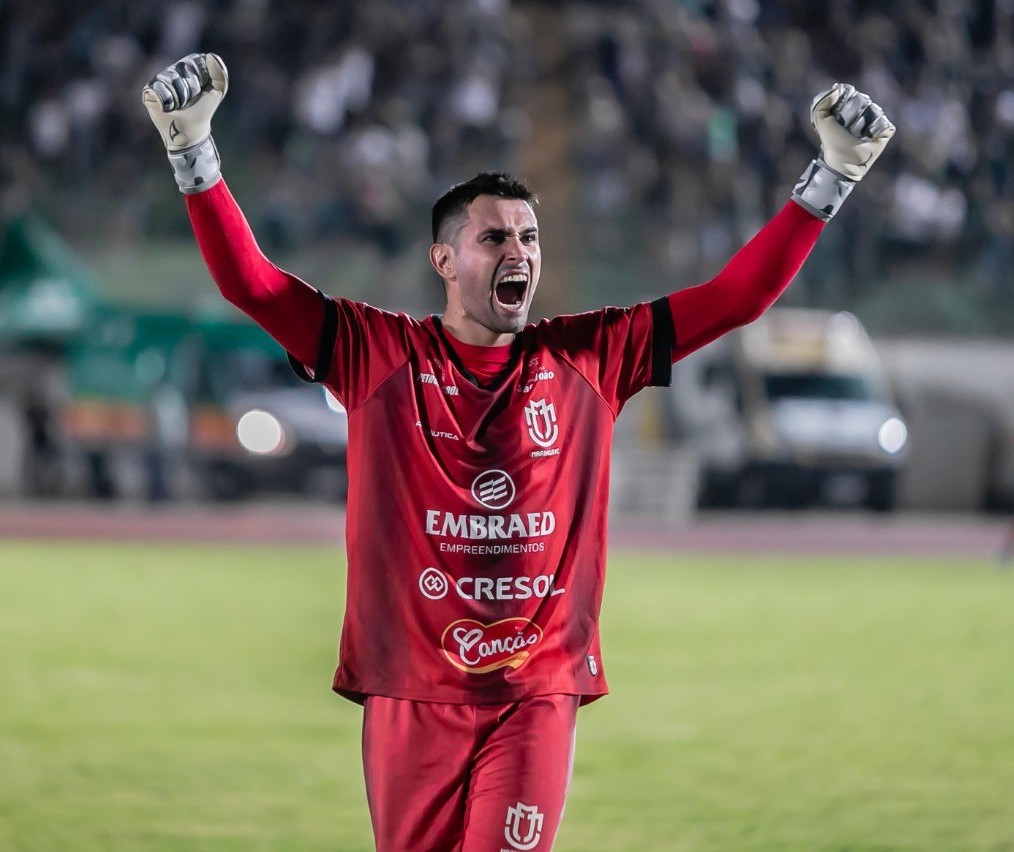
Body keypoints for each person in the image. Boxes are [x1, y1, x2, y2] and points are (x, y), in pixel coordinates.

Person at [143, 53, 894, 851]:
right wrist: (195, 156)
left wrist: (831, 181)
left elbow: (735, 298)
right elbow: (253, 286)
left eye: (529, 237)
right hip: (409, 689)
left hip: (535, 691)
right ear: (443, 260)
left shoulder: (590, 356)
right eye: (494, 236)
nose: (520, 253)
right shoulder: (379, 353)